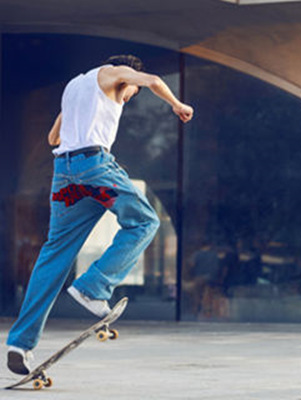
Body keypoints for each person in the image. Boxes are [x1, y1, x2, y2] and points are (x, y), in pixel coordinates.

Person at [6, 55, 194, 374]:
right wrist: (177, 104)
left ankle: (20, 345)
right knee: (145, 221)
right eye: (131, 89)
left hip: (66, 177)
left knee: (54, 254)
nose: (130, 95)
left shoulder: (75, 88)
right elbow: (153, 81)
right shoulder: (112, 74)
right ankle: (93, 286)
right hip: (94, 169)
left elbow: (54, 138)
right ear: (127, 76)